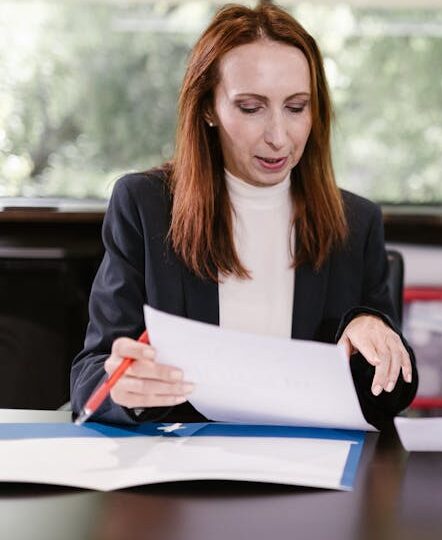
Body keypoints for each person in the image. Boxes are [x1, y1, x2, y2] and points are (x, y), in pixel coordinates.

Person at [70, 2, 416, 428]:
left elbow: (391, 396)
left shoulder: (355, 222)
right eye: (251, 108)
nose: (278, 136)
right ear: (208, 109)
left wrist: (374, 336)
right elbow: (90, 376)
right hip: (181, 469)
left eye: (296, 107)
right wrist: (122, 389)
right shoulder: (145, 206)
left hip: (307, 468)